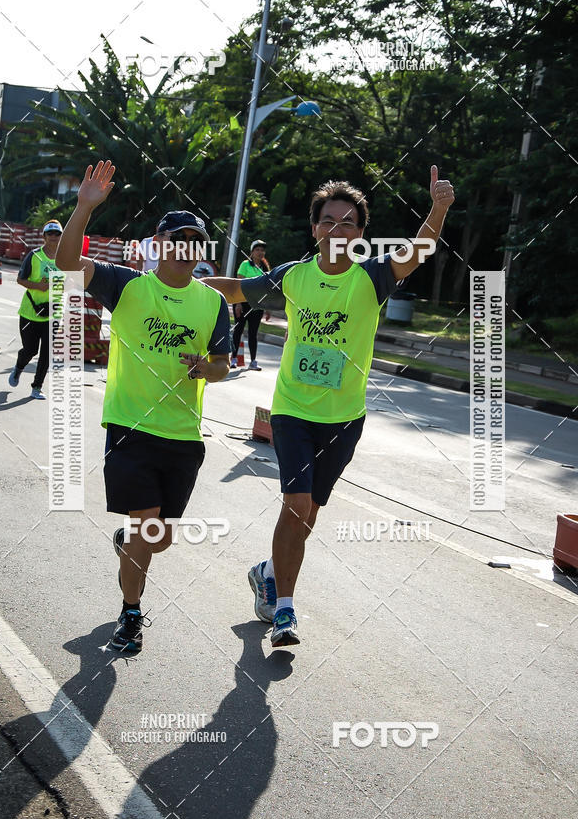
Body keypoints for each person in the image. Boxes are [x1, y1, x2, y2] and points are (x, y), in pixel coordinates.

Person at [203, 167, 454, 647]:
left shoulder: (372, 275)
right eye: (328, 221)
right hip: (293, 410)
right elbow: (236, 289)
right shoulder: (294, 277)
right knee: (295, 505)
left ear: (361, 234)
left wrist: (438, 209)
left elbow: (420, 249)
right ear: (314, 228)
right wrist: (173, 286)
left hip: (343, 419)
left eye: (348, 223)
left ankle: (266, 572)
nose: (337, 230)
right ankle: (284, 612)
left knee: (310, 513)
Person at [56, 161, 231, 653]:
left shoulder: (212, 302)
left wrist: (207, 368)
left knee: (157, 537)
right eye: (176, 238)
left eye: (194, 240)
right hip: (130, 426)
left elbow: (223, 363)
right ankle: (131, 615)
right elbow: (67, 266)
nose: (185, 248)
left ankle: (128, 544)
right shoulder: (128, 285)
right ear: (159, 244)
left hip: (183, 435)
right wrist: (85, 207)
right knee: (146, 522)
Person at [8, 220, 63, 400]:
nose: (54, 237)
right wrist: (38, 286)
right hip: (30, 312)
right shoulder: (34, 256)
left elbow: (73, 282)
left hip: (53, 313)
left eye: (57, 234)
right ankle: (18, 367)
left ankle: (36, 387)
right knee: (30, 350)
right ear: (44, 236)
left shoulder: (65, 258)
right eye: (50, 234)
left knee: (47, 353)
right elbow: (20, 279)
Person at [231, 239, 271, 370]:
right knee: (238, 330)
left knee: (253, 333)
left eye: (262, 250)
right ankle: (234, 359)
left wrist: (268, 307)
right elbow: (238, 285)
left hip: (257, 305)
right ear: (252, 252)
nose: (260, 252)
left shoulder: (265, 268)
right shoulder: (245, 265)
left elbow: (267, 289)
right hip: (243, 304)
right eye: (257, 250)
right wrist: (238, 304)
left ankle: (253, 361)